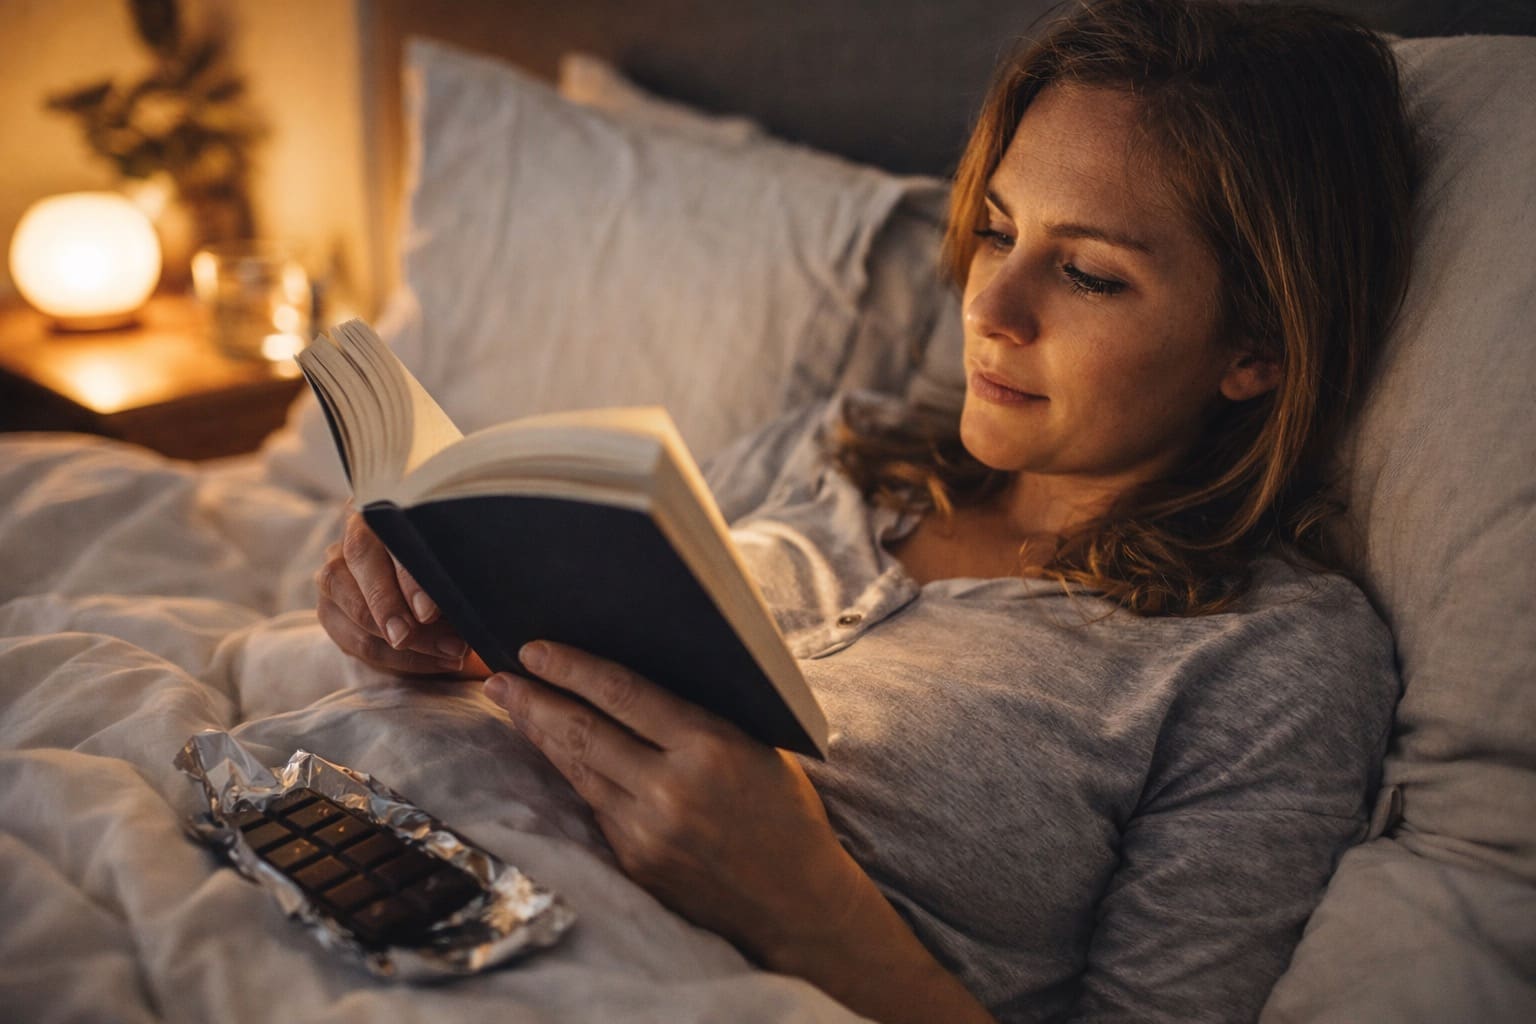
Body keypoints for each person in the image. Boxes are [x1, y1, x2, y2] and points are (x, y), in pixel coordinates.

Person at [313, 0, 1418, 1019]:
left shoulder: (1269, 661)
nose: (989, 304)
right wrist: (436, 623)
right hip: (329, 859)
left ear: (1257, 347)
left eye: (1086, 272)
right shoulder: (840, 450)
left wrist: (806, 906)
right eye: (995, 230)